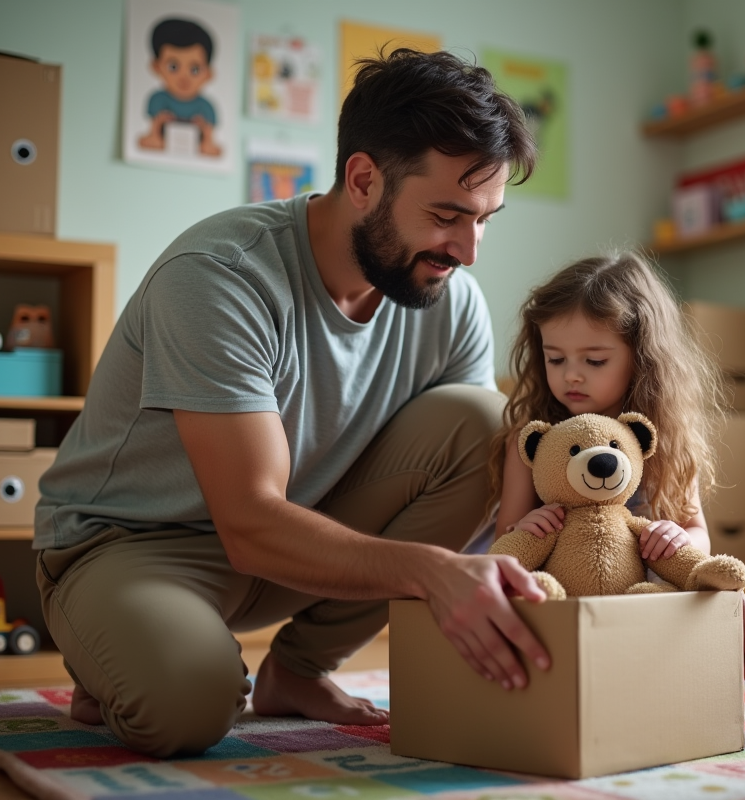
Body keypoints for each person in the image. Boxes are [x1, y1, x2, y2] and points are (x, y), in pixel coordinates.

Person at [35, 49, 553, 758]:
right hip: (133, 545)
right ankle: (120, 642)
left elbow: (491, 484)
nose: (468, 249)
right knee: (187, 707)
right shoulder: (220, 277)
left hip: (297, 544)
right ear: (364, 179)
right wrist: (432, 572)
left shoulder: (449, 297)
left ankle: (298, 670)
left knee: (486, 427)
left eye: (486, 219)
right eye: (445, 215)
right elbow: (248, 522)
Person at [487, 250, 745, 678]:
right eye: (555, 358)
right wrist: (526, 528)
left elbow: (697, 533)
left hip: (645, 607)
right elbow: (505, 540)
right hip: (563, 607)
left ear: (642, 356)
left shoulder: (663, 438)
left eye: (594, 361)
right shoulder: (535, 439)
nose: (571, 375)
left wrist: (678, 537)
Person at [137, 17, 222, 156]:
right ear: (156, 66)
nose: (184, 77)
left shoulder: (206, 107)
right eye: (173, 66)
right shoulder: (158, 99)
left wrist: (205, 137)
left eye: (194, 69)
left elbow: (211, 144)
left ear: (208, 74)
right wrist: (158, 127)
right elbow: (151, 136)